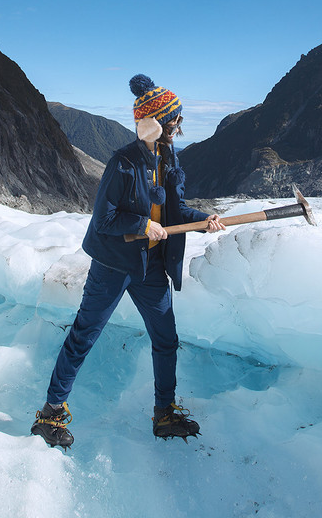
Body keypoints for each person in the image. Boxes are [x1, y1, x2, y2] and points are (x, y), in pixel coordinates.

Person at [31, 74, 224, 448]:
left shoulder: (167, 157)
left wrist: (203, 220)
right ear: (154, 123)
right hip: (114, 265)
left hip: (150, 266)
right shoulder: (122, 163)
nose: (179, 126)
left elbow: (175, 208)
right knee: (84, 335)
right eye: (174, 120)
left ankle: (164, 413)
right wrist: (142, 223)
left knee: (166, 338)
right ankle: (50, 413)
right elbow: (103, 219)